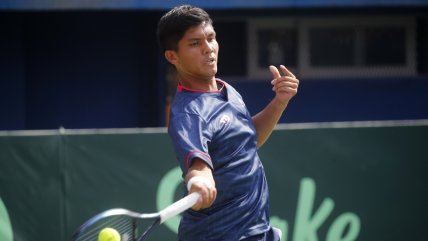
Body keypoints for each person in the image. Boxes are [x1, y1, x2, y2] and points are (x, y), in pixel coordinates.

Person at [157, 5, 299, 241]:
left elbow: (247, 140)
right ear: (173, 56)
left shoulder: (227, 90)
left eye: (211, 38)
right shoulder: (189, 114)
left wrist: (279, 102)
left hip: (254, 228)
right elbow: (197, 166)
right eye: (194, 44)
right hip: (220, 235)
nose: (208, 49)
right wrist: (199, 180)